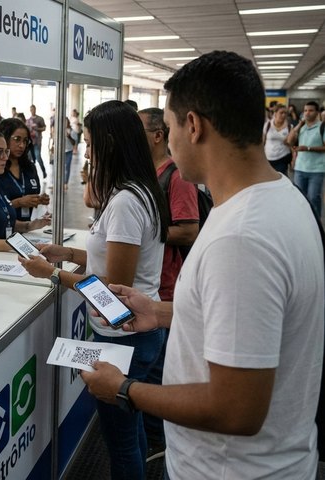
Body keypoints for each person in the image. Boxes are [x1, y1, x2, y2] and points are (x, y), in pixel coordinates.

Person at [81, 51, 324, 479]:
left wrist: (124, 389)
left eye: (169, 129)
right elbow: (250, 322)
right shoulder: (281, 198)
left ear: (193, 126)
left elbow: (236, 409)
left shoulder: (242, 237)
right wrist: (157, 312)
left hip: (230, 469)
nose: (167, 143)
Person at [19, 100, 168, 480]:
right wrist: (66, 253)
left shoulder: (124, 203)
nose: (87, 151)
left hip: (124, 338)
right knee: (128, 430)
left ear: (110, 144)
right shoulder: (137, 192)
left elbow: (110, 291)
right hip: (132, 334)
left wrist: (51, 273)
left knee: (118, 441)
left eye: (91, 142)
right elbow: (114, 258)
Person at [138, 107, 199, 454]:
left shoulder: (175, 177)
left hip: (164, 288)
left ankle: (159, 443)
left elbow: (190, 230)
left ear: (159, 135)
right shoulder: (146, 173)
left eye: (140, 131)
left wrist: (144, 235)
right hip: (148, 283)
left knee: (157, 372)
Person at [0, 118, 49, 222]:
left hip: (26, 231)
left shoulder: (30, 168)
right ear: (4, 138)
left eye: (25, 141)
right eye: (17, 139)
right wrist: (18, 202)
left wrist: (39, 199)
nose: (22, 145)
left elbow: (31, 192)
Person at [287, 101, 325, 218]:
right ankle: (303, 220)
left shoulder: (322, 127)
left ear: (317, 112)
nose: (307, 113)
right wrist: (299, 124)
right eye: (305, 111)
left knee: (313, 197)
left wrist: (308, 148)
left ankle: (316, 221)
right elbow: (289, 141)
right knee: (300, 197)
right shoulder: (301, 127)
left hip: (317, 169)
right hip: (300, 168)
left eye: (310, 110)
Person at [263, 104, 293, 176]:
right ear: (275, 113)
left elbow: (290, 143)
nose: (283, 115)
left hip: (282, 157)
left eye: (285, 113)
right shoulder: (267, 125)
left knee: (280, 178)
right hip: (268, 158)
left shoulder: (289, 127)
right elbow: (263, 141)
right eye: (281, 113)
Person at [26, 105, 48, 178]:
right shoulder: (28, 120)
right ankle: (30, 174)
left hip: (37, 141)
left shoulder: (40, 119)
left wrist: (37, 129)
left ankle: (43, 171)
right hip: (30, 142)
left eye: (33, 109)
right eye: (31, 109)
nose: (32, 111)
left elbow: (44, 128)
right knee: (29, 159)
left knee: (38, 157)